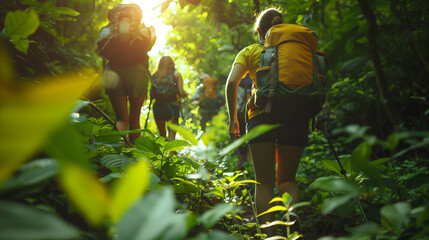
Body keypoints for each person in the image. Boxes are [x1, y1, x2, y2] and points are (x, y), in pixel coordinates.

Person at [226, 8, 310, 236]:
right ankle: (291, 213)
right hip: (297, 117)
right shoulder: (298, 52)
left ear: (259, 31)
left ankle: (270, 233)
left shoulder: (251, 51)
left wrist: (233, 117)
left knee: (264, 182)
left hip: (261, 117)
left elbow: (232, 83)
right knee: (287, 179)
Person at [97, 4, 156, 144]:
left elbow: (101, 49)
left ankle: (116, 153)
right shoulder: (142, 29)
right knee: (134, 117)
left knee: (121, 119)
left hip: (113, 73)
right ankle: (134, 155)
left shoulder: (106, 30)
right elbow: (148, 45)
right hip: (137, 72)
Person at [151, 56, 187, 141]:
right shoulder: (176, 75)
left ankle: (163, 153)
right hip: (172, 106)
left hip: (158, 107)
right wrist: (186, 94)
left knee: (162, 134)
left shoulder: (154, 75)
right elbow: (181, 93)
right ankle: (171, 153)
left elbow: (152, 93)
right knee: (172, 134)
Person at [236, 74, 252, 170]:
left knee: (242, 149)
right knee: (252, 145)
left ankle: (242, 174)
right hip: (253, 116)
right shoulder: (255, 80)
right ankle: (250, 175)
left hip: (239, 117)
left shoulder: (237, 82)